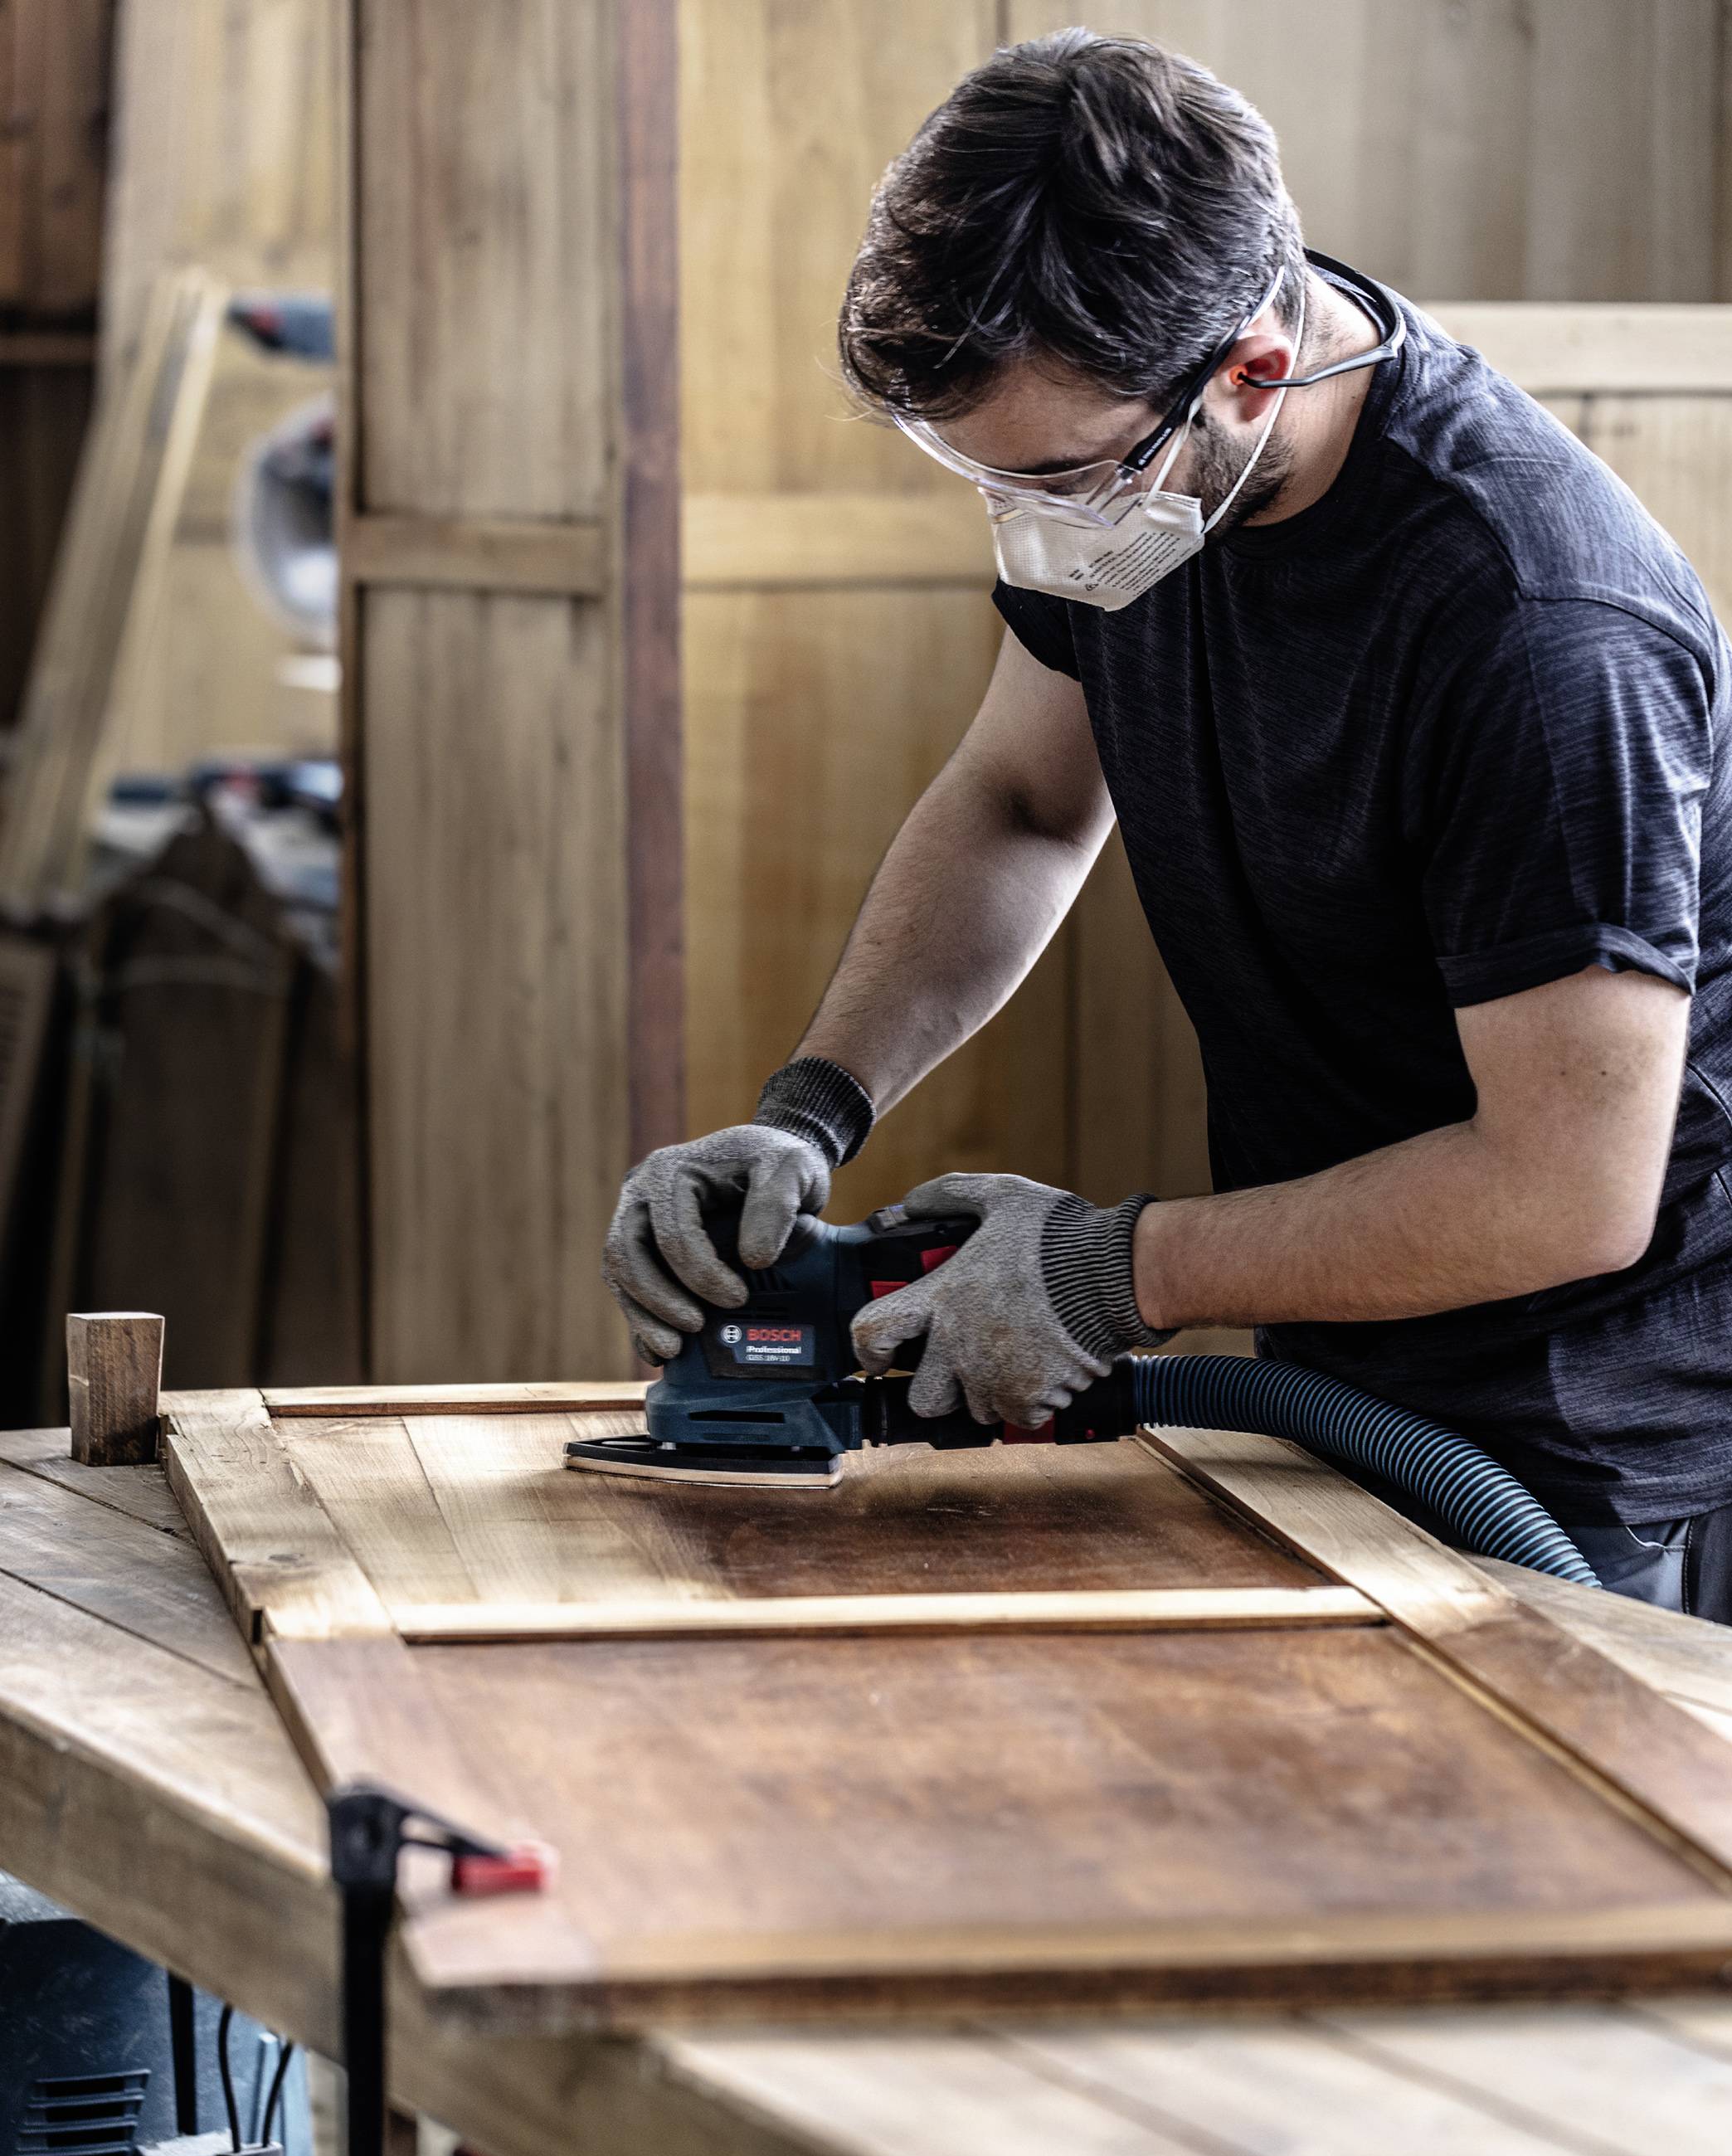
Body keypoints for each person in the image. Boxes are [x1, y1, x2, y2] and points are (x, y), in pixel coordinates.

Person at [603, 31, 1732, 1618]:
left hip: (1581, 1436)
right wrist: (811, 1109)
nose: (1034, 527)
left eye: (1063, 477)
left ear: (1253, 371)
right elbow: (1019, 801)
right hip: (1334, 1357)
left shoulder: (1538, 628)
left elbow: (1570, 1186)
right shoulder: (1143, 482)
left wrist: (1114, 1268)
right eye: (989, 480)